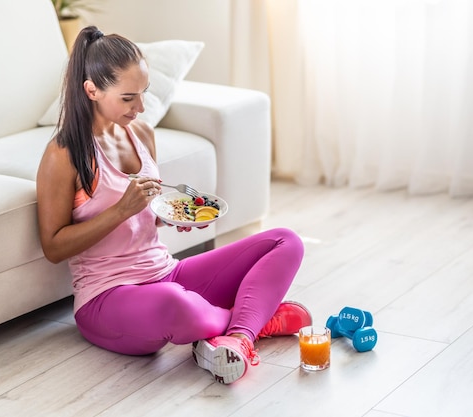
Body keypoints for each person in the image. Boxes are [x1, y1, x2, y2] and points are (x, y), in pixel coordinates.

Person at [36, 26, 311, 385]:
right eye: (128, 98)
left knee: (285, 240)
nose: (141, 107)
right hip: (107, 298)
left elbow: (143, 215)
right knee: (175, 303)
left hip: (166, 272)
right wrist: (121, 209)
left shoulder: (142, 134)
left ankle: (240, 337)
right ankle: (255, 317)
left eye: (144, 93)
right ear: (92, 90)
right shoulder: (64, 154)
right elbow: (54, 246)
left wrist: (168, 216)